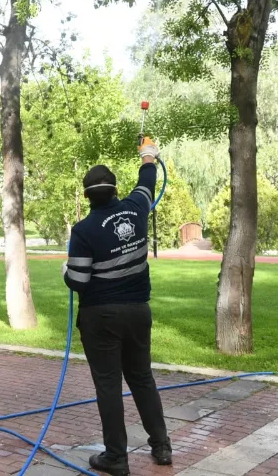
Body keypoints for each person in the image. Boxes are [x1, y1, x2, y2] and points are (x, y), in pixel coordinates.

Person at [62, 138, 172, 474]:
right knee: (142, 378)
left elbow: (77, 281)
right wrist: (148, 154)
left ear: (87, 197)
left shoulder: (84, 230)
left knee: (108, 385)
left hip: (101, 317)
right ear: (115, 190)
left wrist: (66, 271)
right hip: (138, 312)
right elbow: (147, 182)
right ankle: (162, 447)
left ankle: (116, 457)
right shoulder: (137, 208)